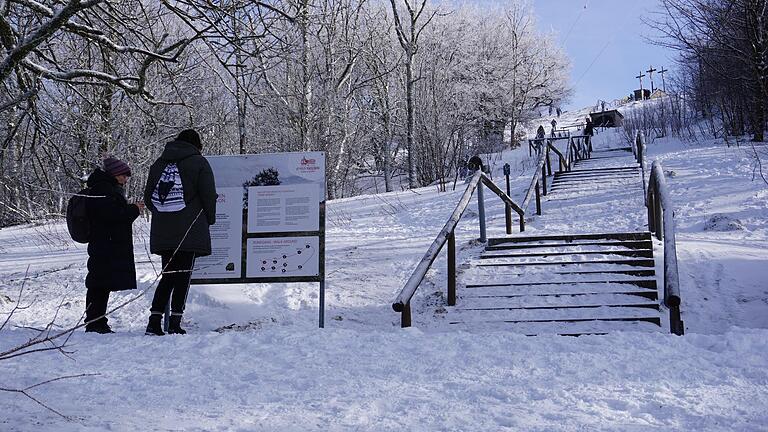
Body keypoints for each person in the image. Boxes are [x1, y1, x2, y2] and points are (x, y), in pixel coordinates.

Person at [143, 129, 217, 336]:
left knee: (167, 275)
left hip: (163, 230)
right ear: (197, 144)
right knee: (183, 276)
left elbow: (149, 198)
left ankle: (154, 321)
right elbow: (208, 195)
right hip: (190, 229)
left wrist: (165, 216)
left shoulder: (158, 164)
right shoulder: (199, 163)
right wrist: (209, 219)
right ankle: (175, 322)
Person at [84, 157, 144, 333]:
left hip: (103, 242)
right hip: (106, 243)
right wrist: (133, 209)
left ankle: (97, 320)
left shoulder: (102, 188)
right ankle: (95, 322)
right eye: (124, 176)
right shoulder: (104, 189)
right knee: (99, 283)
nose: (126, 179)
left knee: (100, 282)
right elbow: (113, 216)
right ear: (115, 174)